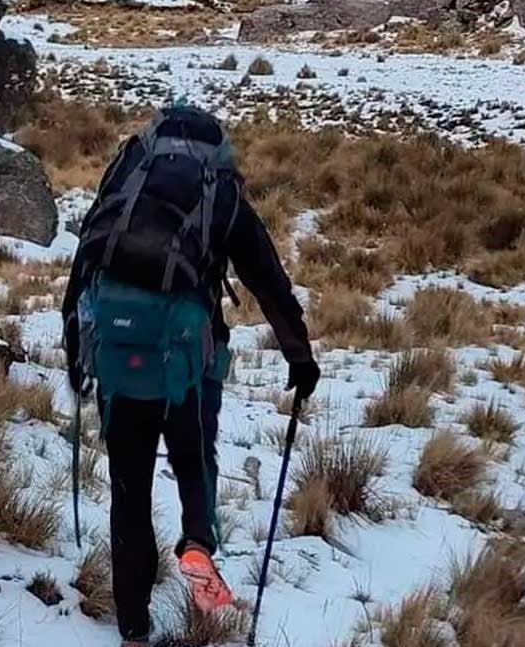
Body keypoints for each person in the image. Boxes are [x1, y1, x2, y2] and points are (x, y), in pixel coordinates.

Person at [61, 104, 320, 647]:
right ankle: (197, 540)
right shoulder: (220, 191)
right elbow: (267, 278)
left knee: (129, 492)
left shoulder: (128, 175)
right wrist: (299, 356)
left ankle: (133, 631)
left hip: (118, 353)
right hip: (188, 359)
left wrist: (75, 350)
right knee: (194, 456)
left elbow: (86, 259)